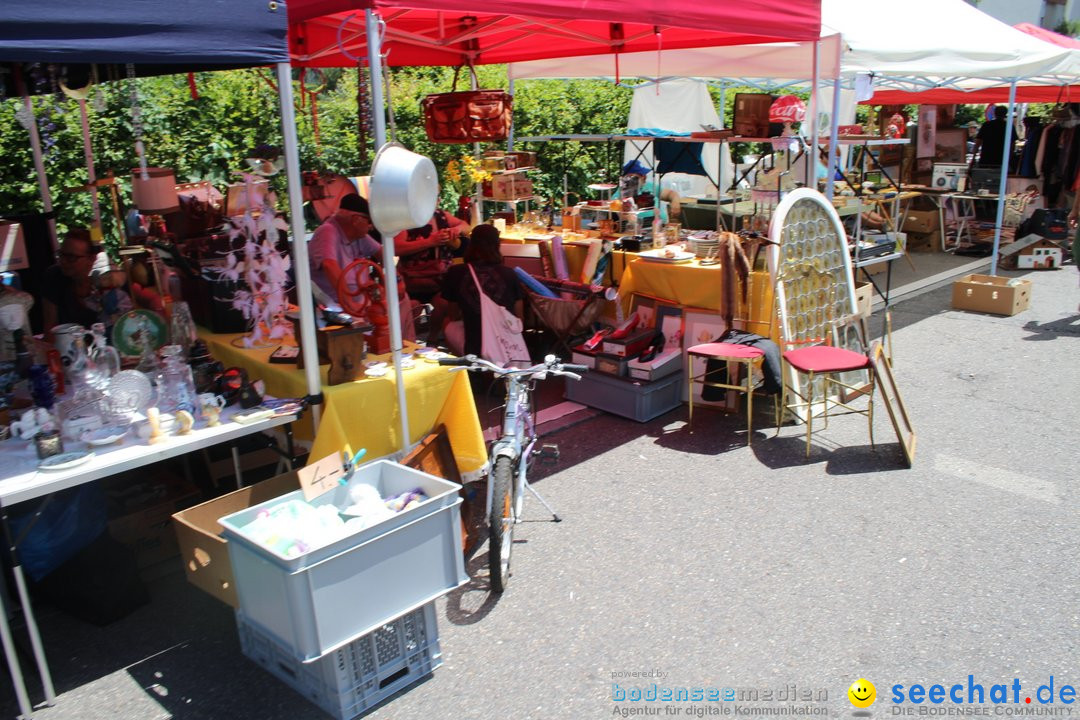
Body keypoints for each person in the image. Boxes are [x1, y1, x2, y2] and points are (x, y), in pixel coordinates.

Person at [437, 224, 524, 357]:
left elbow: (453, 315)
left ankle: (465, 367)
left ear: (471, 244)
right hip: (507, 345)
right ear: (497, 245)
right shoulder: (509, 274)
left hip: (473, 345)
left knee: (447, 323)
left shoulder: (456, 273)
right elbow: (519, 317)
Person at [41, 228, 132, 339]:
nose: (62, 261)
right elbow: (50, 328)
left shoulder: (111, 280)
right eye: (61, 254)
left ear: (92, 259)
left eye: (71, 257)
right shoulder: (54, 276)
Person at [308, 193, 381, 308]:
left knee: (405, 304)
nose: (371, 226)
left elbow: (383, 254)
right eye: (369, 221)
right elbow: (329, 264)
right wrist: (349, 303)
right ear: (356, 219)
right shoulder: (327, 231)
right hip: (336, 309)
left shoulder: (359, 235)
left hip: (360, 304)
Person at [392, 205, 470, 303]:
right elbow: (396, 248)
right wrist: (430, 242)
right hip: (413, 281)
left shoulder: (441, 215)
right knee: (413, 308)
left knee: (446, 306)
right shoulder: (406, 218)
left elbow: (466, 225)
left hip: (441, 281)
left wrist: (456, 229)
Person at [615, 160, 681, 228]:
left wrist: (675, 202)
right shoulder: (622, 193)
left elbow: (671, 194)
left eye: (644, 174)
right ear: (628, 178)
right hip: (641, 229)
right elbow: (617, 211)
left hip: (662, 226)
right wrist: (627, 217)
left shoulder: (649, 186)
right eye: (640, 175)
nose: (644, 177)